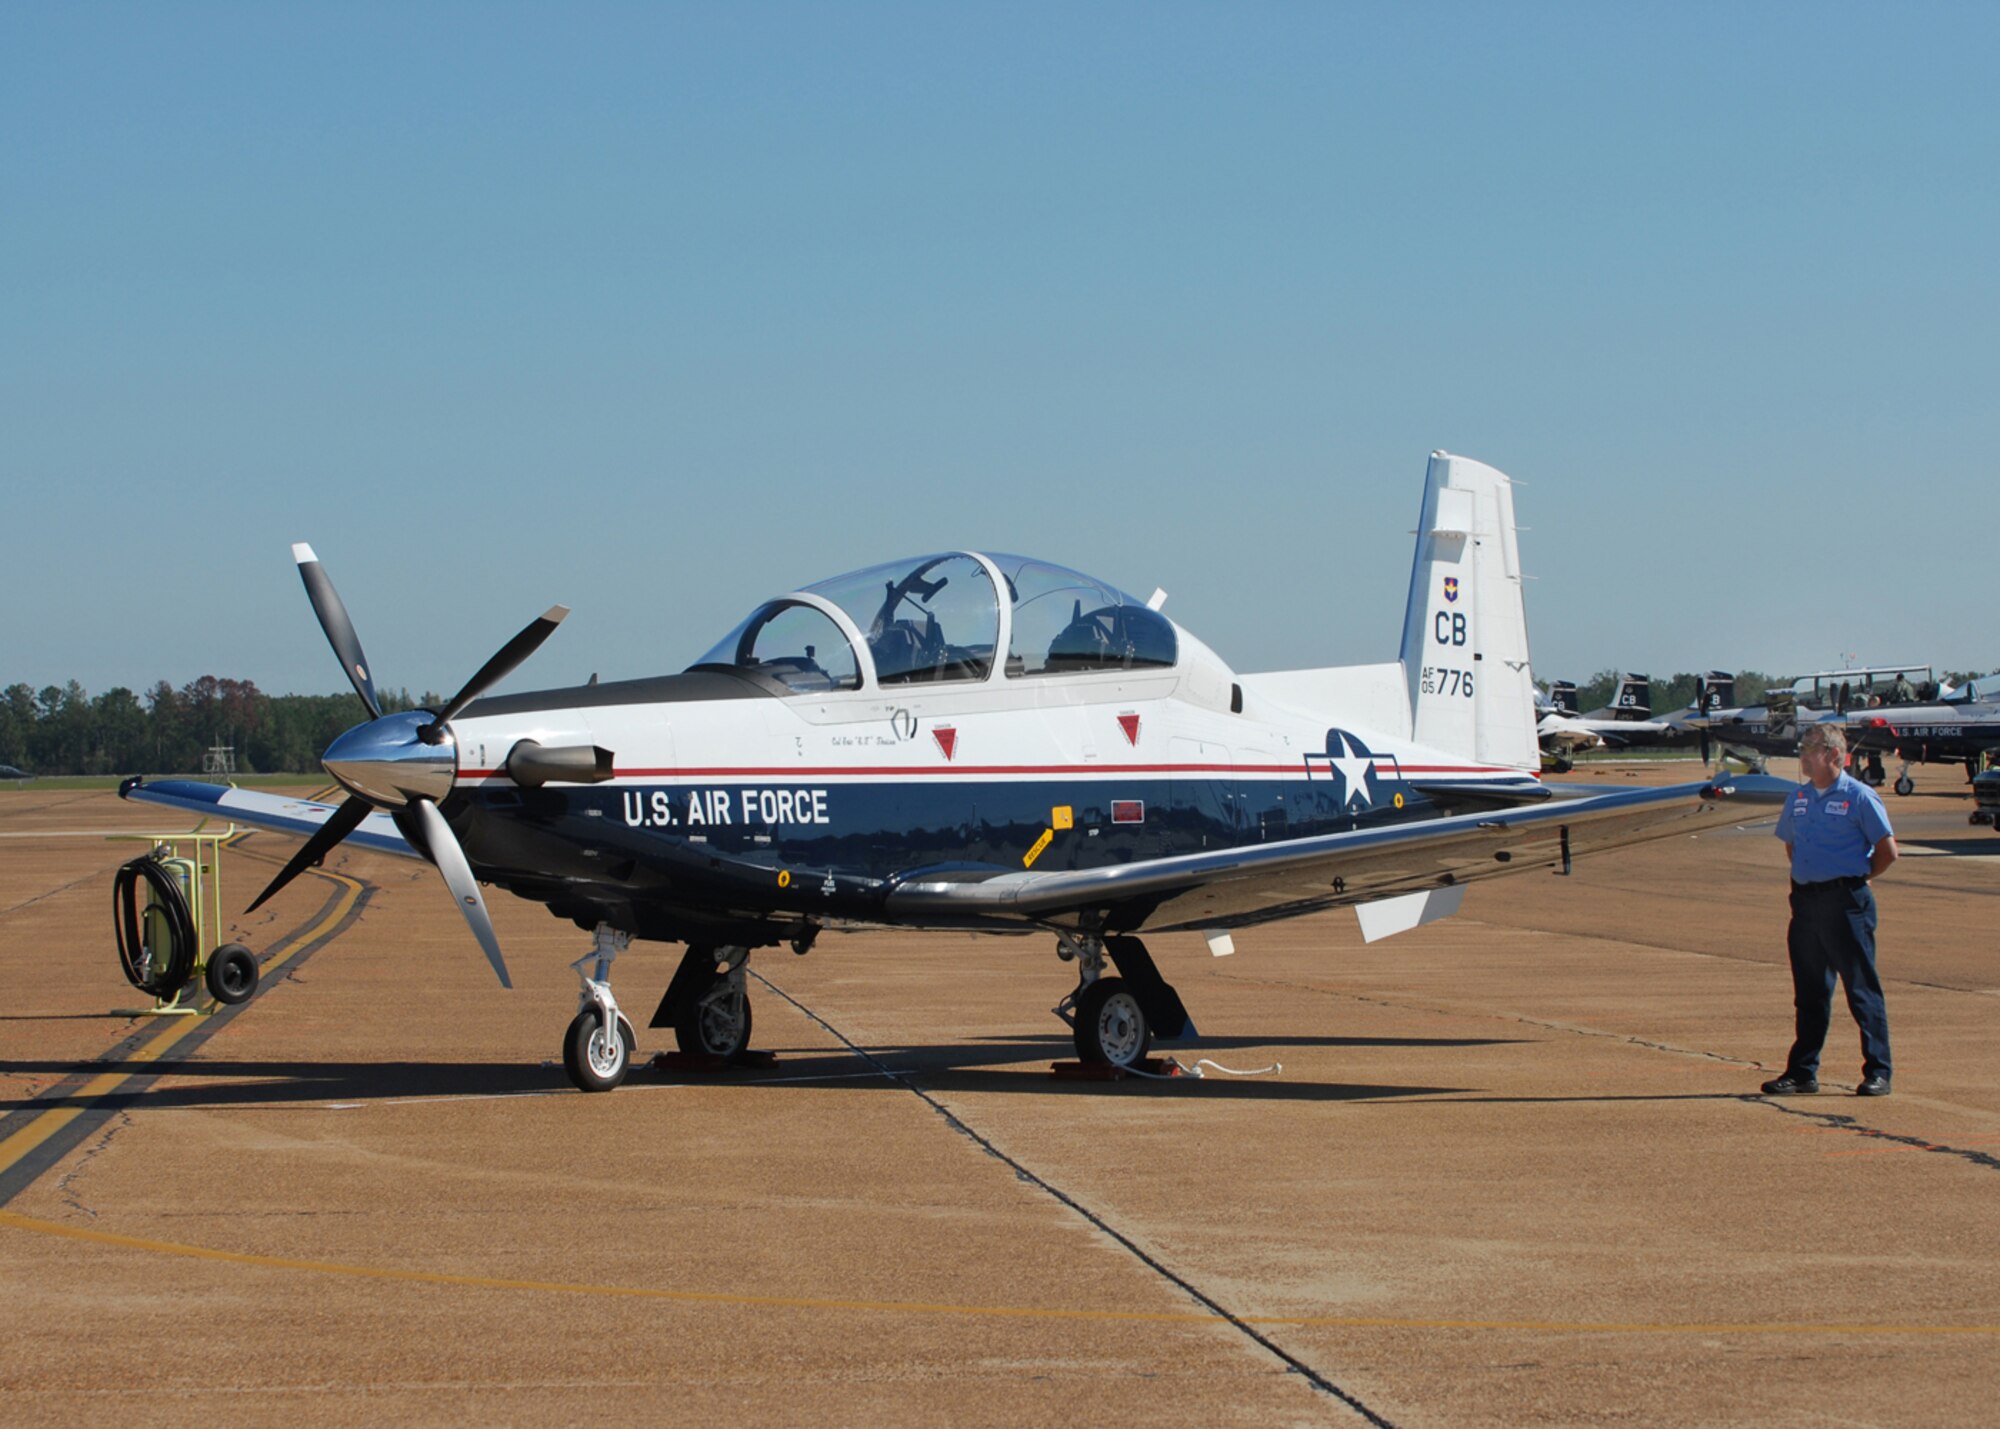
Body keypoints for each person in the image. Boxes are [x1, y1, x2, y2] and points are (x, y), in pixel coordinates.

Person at [1762, 724, 1899, 1097]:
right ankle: (1803, 1071)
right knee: (1809, 991)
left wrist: (1855, 878)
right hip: (1806, 902)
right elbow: (1791, 846)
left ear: (1835, 755)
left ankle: (1878, 1070)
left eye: (1812, 749)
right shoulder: (1799, 797)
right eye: (1802, 749)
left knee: (1861, 989)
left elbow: (1887, 852)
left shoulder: (1859, 797)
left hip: (1846, 904)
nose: (1804, 756)